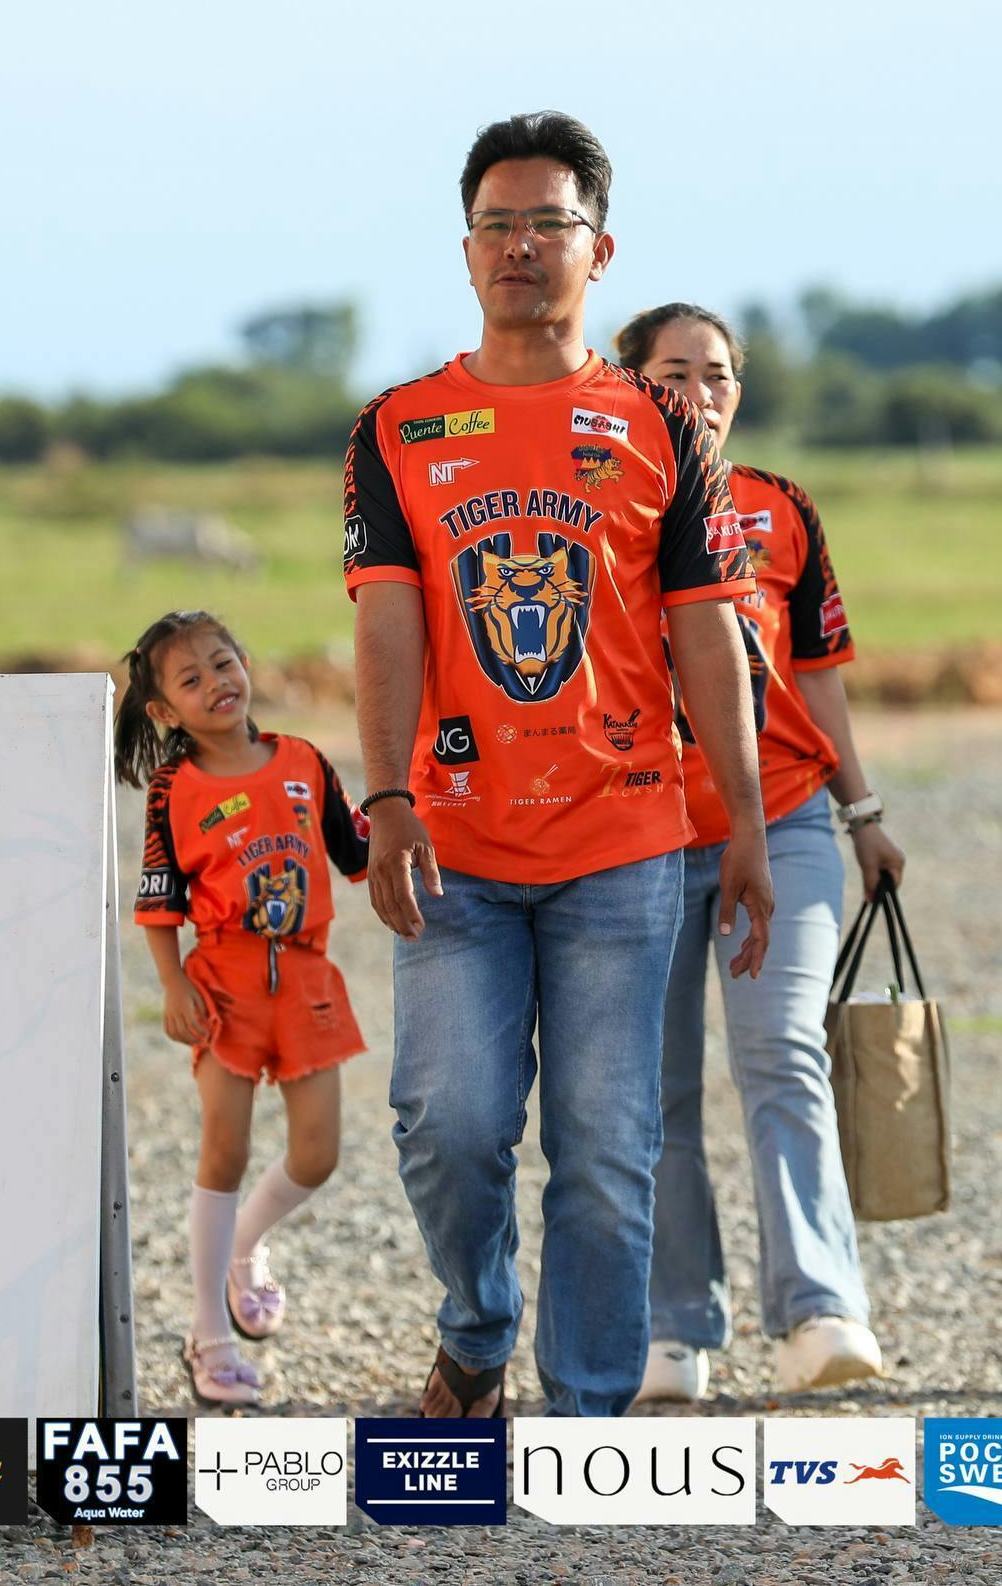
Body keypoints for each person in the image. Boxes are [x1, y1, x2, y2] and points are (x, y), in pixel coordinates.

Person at [341, 111, 774, 1418]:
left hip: (623, 841)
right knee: (450, 1120)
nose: (520, 246)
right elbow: (387, 622)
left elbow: (708, 633)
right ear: (466, 247)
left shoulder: (659, 424)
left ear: (601, 247)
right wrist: (387, 793)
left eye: (548, 223)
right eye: (497, 224)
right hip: (454, 841)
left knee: (607, 1142)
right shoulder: (397, 427)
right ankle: (477, 1326)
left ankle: (583, 1411)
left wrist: (747, 824)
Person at [615, 302, 901, 1400]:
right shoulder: (594, 505)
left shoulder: (782, 508)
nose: (699, 393)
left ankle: (821, 1311)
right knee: (652, 1090)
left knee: (783, 1048)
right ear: (630, 385)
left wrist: (863, 811)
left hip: (779, 818)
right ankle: (673, 1327)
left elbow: (816, 670)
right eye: (674, 372)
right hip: (634, 834)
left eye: (719, 375)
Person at [119, 609, 371, 1406]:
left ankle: (245, 1247)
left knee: (317, 1154)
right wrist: (173, 985)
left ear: (247, 664)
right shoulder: (173, 790)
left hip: (308, 979)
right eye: (190, 680)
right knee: (223, 1152)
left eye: (223, 664)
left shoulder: (304, 761)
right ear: (165, 711)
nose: (215, 685)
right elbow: (158, 899)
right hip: (222, 983)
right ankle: (209, 1336)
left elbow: (360, 850)